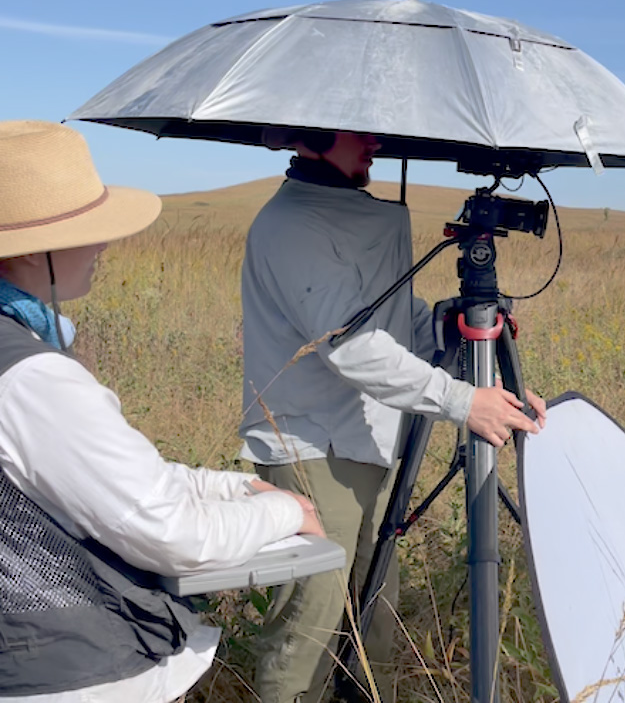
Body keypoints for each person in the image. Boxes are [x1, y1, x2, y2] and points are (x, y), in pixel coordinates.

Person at [0, 120, 323, 702]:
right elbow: (170, 533)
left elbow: (99, 483)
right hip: (70, 676)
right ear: (28, 254)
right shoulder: (34, 378)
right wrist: (282, 513)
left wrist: (233, 490)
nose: (103, 244)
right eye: (88, 229)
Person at [241, 128, 547, 703]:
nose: (375, 144)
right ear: (316, 132)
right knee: (309, 630)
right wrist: (463, 402)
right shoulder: (291, 226)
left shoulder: (354, 213)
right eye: (361, 133)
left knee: (373, 625)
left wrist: (486, 368)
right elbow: (349, 343)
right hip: (313, 447)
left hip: (371, 442)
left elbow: (390, 319)